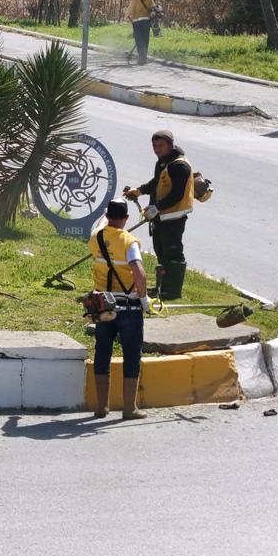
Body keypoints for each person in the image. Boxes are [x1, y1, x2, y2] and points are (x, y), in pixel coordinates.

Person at [87, 200, 150, 421]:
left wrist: (107, 217)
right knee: (131, 354)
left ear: (107, 215)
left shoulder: (96, 237)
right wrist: (144, 300)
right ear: (126, 219)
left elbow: (102, 223)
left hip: (103, 306)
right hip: (129, 307)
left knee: (102, 351)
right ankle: (129, 408)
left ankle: (101, 407)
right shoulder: (129, 242)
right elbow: (139, 273)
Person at [124, 129, 193, 300]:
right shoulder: (163, 162)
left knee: (173, 252)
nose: (157, 149)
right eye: (154, 146)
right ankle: (162, 287)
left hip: (174, 218)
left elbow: (177, 194)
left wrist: (156, 208)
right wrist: (139, 191)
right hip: (160, 217)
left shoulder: (180, 166)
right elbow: (157, 182)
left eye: (161, 145)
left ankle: (173, 291)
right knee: (160, 250)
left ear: (170, 145)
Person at [126, 0, 156, 65]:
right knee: (145, 40)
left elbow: (128, 12)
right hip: (146, 22)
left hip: (137, 23)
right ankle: (144, 57)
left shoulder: (134, 0)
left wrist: (129, 19)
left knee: (139, 40)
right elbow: (154, 9)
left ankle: (141, 58)